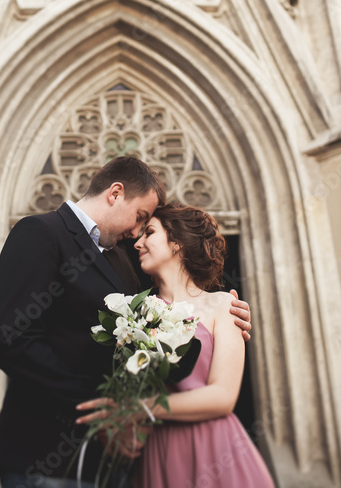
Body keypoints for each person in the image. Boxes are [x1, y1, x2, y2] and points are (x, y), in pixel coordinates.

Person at [0, 157, 253, 488]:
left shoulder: (121, 259)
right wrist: (108, 411)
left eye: (146, 228)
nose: (136, 233)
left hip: (115, 464)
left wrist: (228, 309)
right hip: (44, 455)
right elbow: (13, 339)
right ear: (115, 193)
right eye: (140, 217)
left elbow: (172, 310)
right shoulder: (41, 232)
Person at [76, 203, 275, 487]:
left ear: (178, 243)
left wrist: (141, 407)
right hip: (159, 451)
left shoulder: (223, 305)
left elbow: (223, 397)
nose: (138, 242)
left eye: (150, 233)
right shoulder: (133, 314)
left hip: (215, 446)